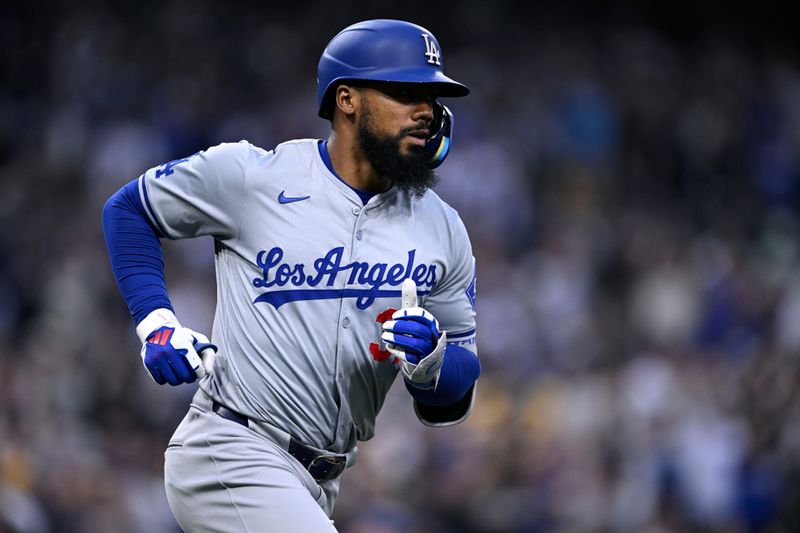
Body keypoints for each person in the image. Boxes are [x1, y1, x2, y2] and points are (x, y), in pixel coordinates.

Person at [102, 19, 480, 532]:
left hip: (320, 478)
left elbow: (452, 400)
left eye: (433, 97)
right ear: (347, 99)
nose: (427, 111)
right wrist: (156, 322)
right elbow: (128, 210)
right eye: (406, 92)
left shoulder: (444, 228)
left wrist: (432, 364)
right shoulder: (253, 177)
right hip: (231, 449)